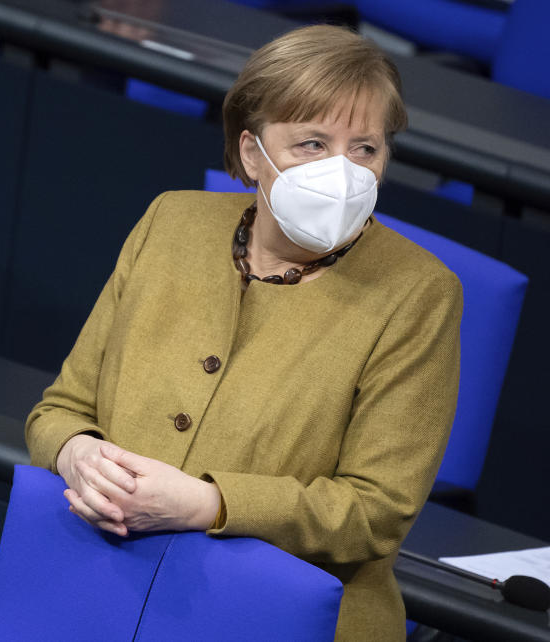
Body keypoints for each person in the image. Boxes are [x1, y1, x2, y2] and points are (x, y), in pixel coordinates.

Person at [25, 24, 462, 641]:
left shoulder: (420, 292)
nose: (342, 171)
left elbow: (375, 512)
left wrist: (209, 504)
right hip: (102, 589)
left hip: (278, 615)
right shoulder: (170, 222)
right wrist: (77, 455)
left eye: (365, 148)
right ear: (252, 152)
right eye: (312, 143)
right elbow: (60, 410)